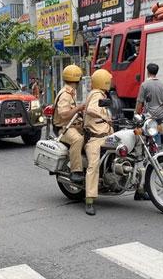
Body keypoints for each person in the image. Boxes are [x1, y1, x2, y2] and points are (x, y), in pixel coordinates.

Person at [83, 69, 114, 216]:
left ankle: (139, 189)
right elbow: (91, 109)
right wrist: (105, 118)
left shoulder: (102, 95)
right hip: (95, 137)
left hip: (106, 135)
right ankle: (89, 200)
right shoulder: (96, 95)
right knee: (93, 165)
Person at [53, 65, 86, 184]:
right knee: (77, 140)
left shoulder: (71, 92)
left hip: (73, 125)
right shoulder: (65, 94)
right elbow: (64, 115)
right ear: (77, 80)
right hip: (63, 128)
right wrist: (78, 109)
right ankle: (75, 171)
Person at [134, 63, 163, 146]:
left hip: (149, 114)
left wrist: (136, 113)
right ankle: (157, 148)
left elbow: (140, 101)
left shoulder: (144, 85)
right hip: (160, 114)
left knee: (144, 132)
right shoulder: (162, 84)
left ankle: (146, 150)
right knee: (157, 131)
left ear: (148, 72)